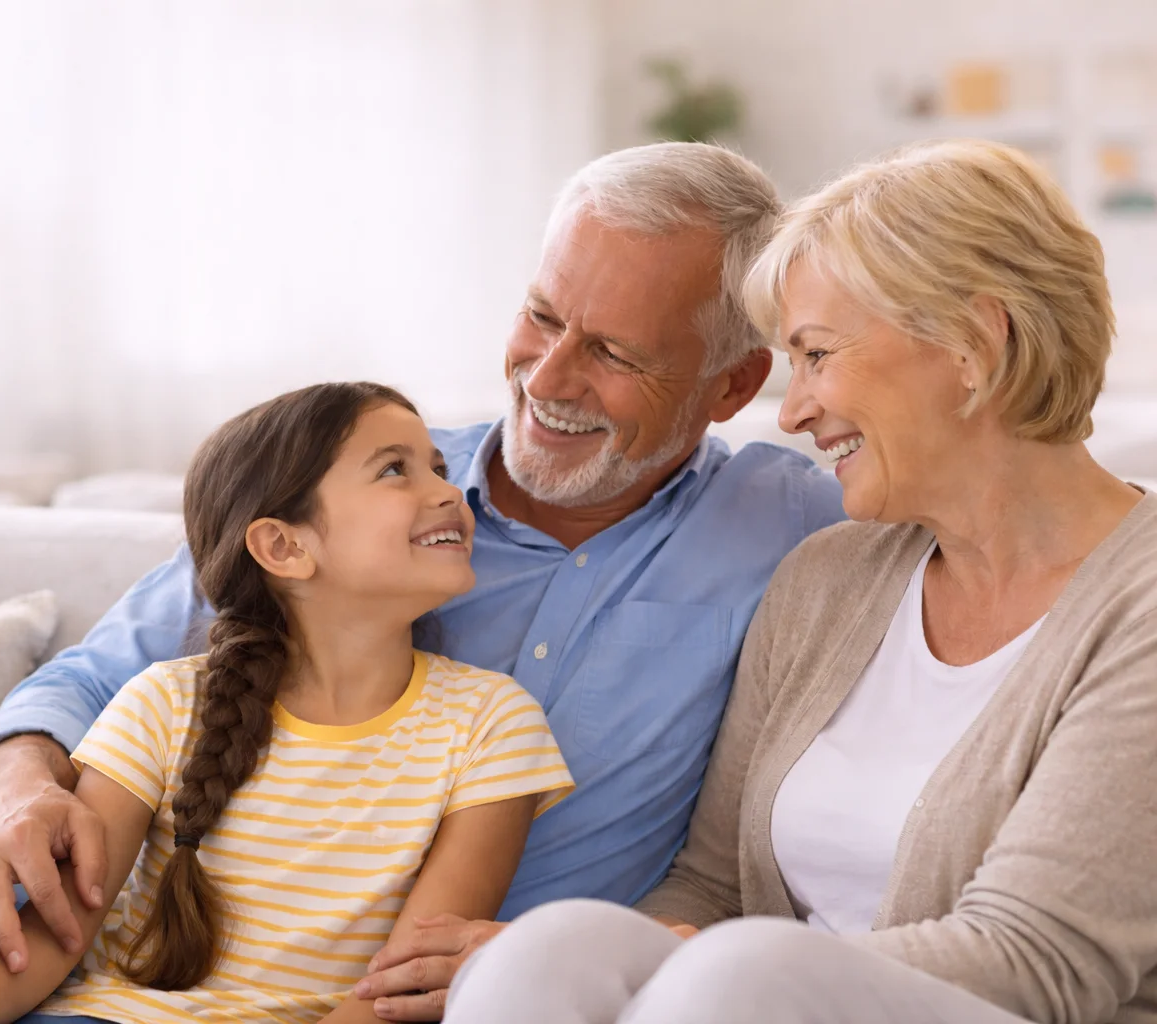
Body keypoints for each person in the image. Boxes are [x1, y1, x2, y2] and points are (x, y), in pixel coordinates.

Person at [0, 143, 845, 1024]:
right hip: (145, 949)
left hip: (456, 993)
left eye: (615, 352)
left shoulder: (794, 522)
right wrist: (19, 788)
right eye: (541, 316)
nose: (548, 375)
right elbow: (96, 680)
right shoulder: (346, 489)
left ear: (732, 386)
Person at [442, 139, 1157, 1024]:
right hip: (746, 996)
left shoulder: (1136, 605)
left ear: (974, 344)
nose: (791, 413)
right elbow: (711, 885)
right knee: (552, 948)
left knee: (742, 972)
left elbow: (1038, 961)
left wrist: (719, 970)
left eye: (817, 355)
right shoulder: (828, 574)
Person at [0, 382, 572, 1023]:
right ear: (284, 546)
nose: (450, 492)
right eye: (396, 470)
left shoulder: (493, 724)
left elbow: (403, 986)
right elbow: (53, 934)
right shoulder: (162, 702)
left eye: (439, 468)